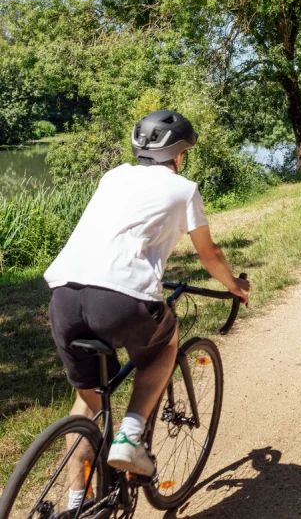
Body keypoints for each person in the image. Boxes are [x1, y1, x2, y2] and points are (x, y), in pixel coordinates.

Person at [44, 109, 250, 500]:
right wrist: (235, 285)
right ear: (180, 154)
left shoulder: (113, 176)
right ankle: (131, 437)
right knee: (163, 347)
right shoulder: (183, 189)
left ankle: (77, 503)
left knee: (87, 404)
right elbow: (208, 254)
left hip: (65, 296)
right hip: (119, 298)